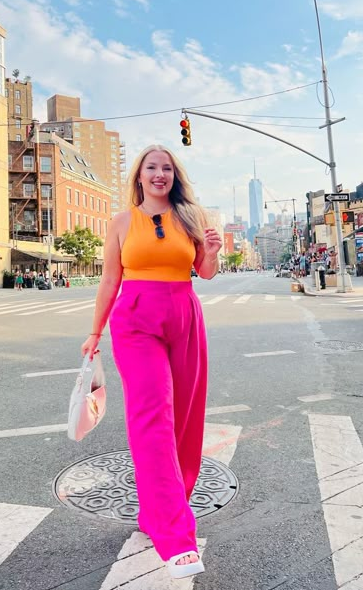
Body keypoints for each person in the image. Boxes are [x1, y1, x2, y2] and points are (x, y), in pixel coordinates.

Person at [81, 144, 222, 579]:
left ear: (174, 176)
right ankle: (175, 535)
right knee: (152, 417)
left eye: (166, 168)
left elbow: (205, 272)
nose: (159, 174)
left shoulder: (191, 217)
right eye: (151, 168)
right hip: (136, 321)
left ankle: (158, 508)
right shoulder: (121, 222)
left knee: (184, 417)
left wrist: (212, 250)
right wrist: (94, 331)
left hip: (184, 315)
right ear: (139, 177)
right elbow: (110, 278)